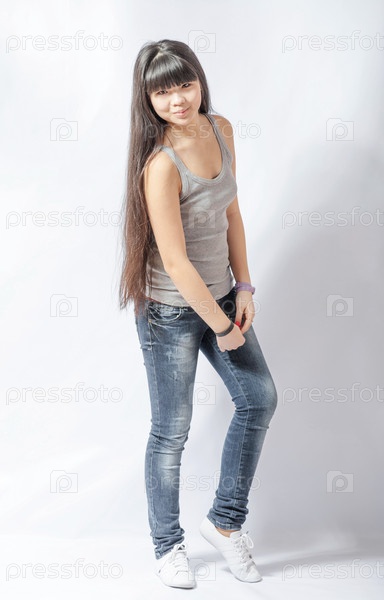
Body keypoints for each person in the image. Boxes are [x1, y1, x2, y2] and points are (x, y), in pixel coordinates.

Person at [119, 39, 278, 589]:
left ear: (200, 82)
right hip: (170, 310)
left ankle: (226, 523)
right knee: (172, 430)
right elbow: (176, 262)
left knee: (259, 399)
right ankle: (167, 546)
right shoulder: (160, 166)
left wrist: (245, 287)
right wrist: (221, 327)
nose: (178, 100)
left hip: (223, 297)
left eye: (185, 85)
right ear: (147, 99)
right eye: (162, 92)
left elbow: (231, 212)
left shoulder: (221, 129)